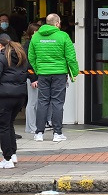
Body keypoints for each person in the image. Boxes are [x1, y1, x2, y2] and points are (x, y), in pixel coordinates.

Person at [29, 13, 79, 142]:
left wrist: (38, 69)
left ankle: (39, 133)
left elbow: (31, 57)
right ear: (57, 23)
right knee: (57, 102)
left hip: (43, 74)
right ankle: (57, 133)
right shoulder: (63, 36)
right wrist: (74, 72)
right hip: (59, 74)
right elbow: (71, 57)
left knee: (42, 102)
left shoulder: (36, 37)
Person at [0, 34, 32, 168]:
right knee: (9, 124)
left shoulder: (2, 58)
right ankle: (12, 154)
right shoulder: (21, 57)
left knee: (3, 127)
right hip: (20, 96)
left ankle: (7, 158)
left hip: (5, 97)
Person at [23, 23, 40, 134]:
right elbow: (29, 64)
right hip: (32, 78)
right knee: (32, 103)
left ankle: (31, 126)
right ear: (34, 32)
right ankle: (31, 127)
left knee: (34, 102)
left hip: (34, 77)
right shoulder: (29, 45)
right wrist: (33, 78)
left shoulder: (30, 44)